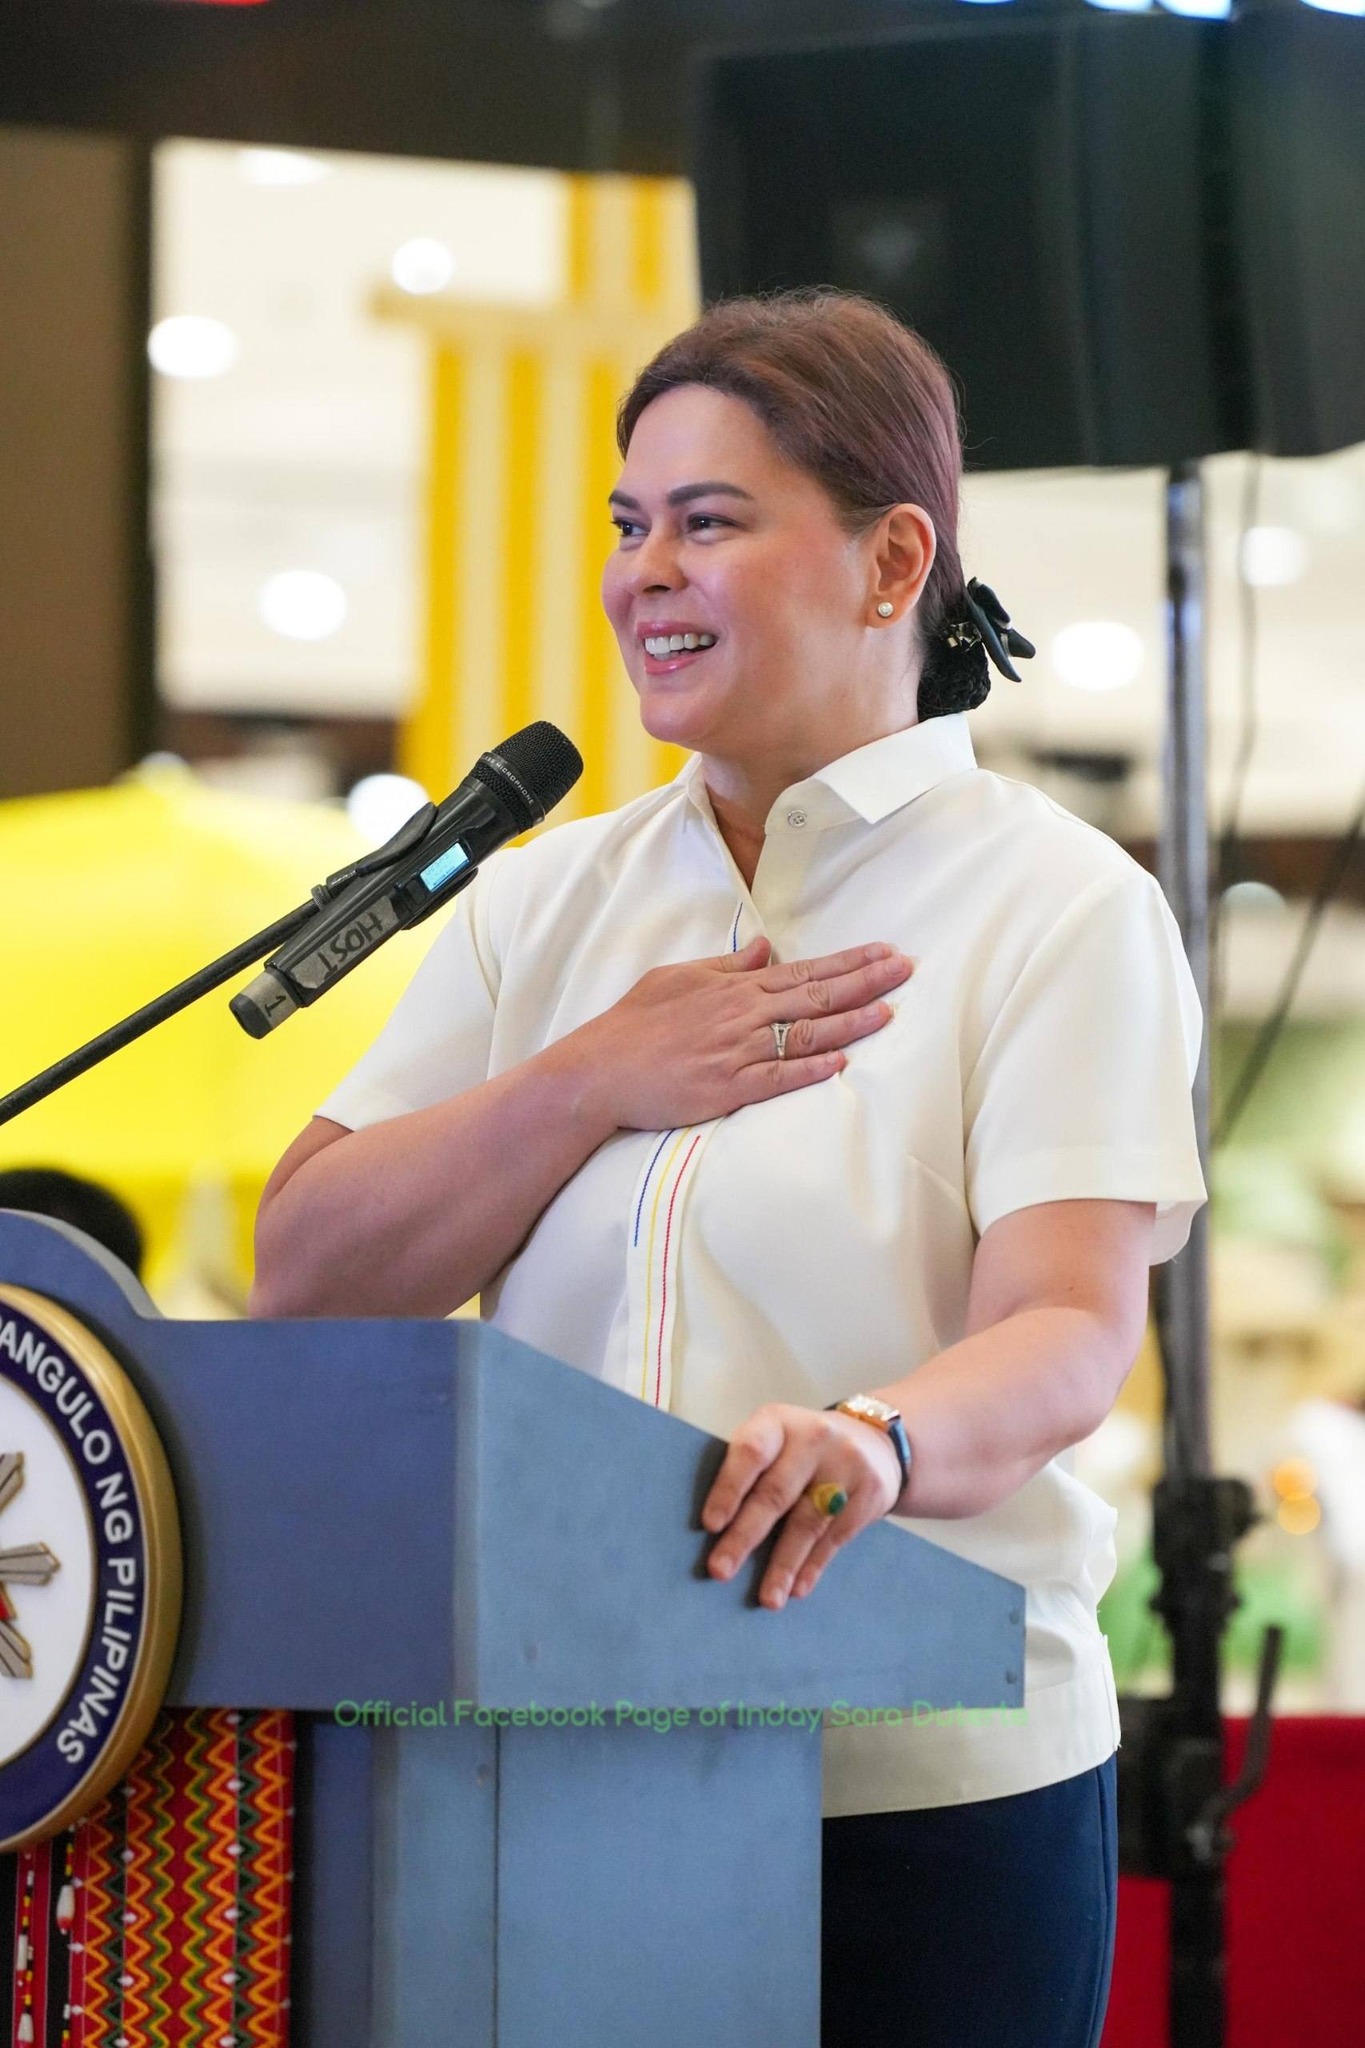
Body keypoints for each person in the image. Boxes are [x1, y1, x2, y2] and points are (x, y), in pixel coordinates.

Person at [251, 290, 1206, 2047]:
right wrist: (583, 1082)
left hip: (915, 1794)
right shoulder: (546, 901)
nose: (642, 575)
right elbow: (307, 1269)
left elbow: (1069, 1330)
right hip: (546, 1767)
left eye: (707, 521)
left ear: (888, 557)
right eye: (627, 528)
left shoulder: (1059, 906)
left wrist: (874, 1437)